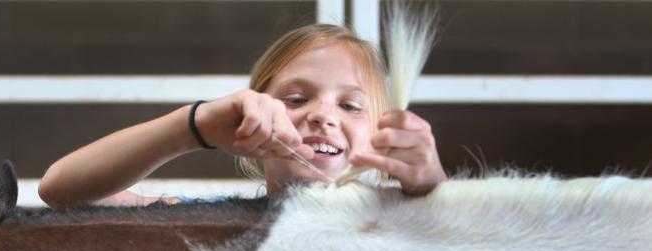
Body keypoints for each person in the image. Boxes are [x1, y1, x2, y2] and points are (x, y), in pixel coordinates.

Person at [38, 24, 446, 208]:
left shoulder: (406, 219)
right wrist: (192, 126)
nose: (323, 116)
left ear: (382, 131)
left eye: (350, 106)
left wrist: (434, 194)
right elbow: (60, 191)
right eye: (297, 99)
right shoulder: (215, 221)